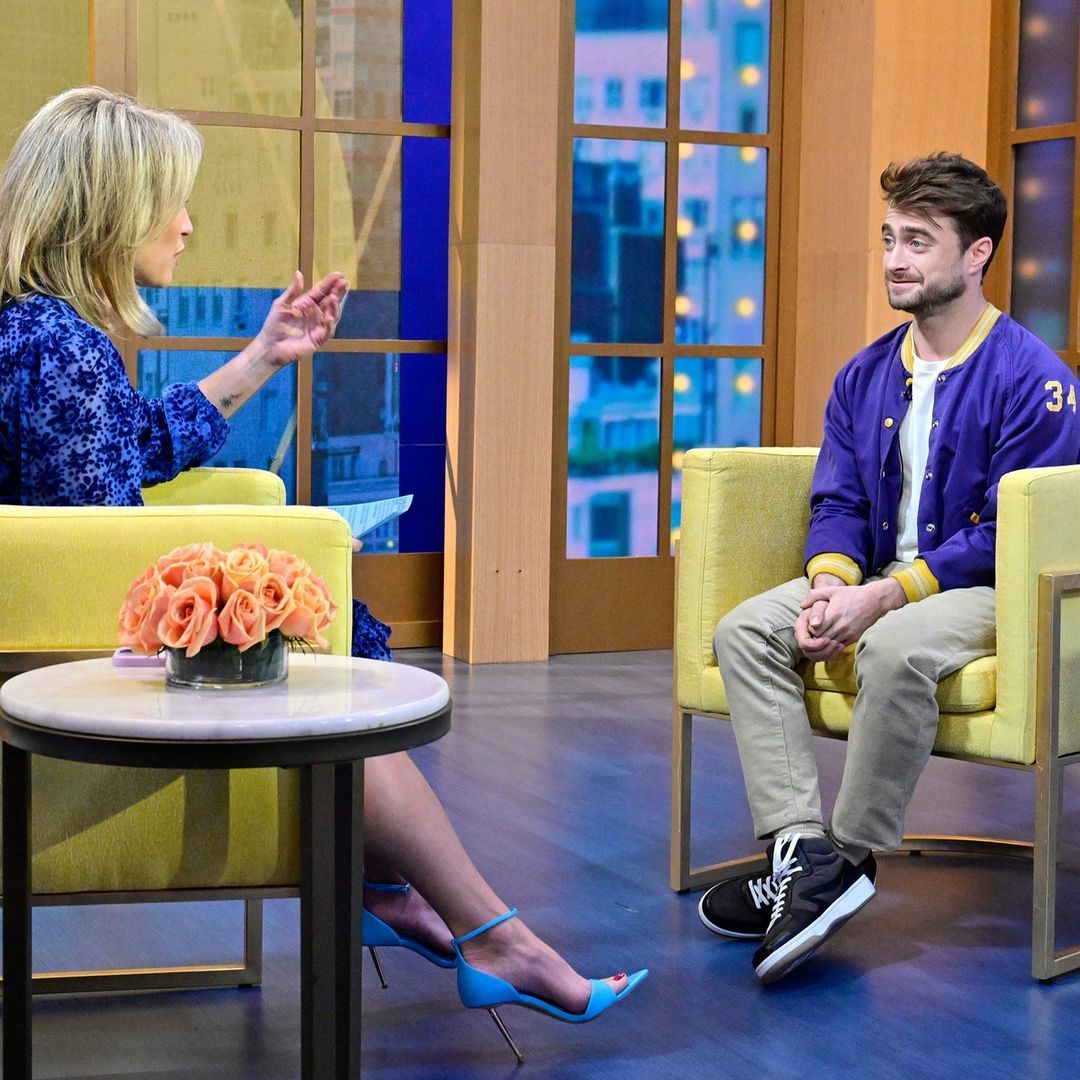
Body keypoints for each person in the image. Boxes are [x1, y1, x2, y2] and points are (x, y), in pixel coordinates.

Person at [0, 87, 645, 1043]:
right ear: (109, 209)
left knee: (311, 631)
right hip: (60, 674)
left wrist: (267, 353)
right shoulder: (60, 350)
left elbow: (136, 447)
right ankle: (470, 928)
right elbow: (96, 549)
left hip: (47, 641)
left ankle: (417, 903)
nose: (186, 224)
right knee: (319, 660)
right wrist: (275, 564)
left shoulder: (42, 335)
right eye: (171, 202)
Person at [697, 152, 1080, 984]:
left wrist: (881, 599)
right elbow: (836, 500)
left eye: (917, 241)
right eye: (888, 238)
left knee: (895, 647)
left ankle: (846, 854)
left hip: (986, 590)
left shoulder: (1037, 382)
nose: (895, 260)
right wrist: (832, 586)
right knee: (745, 630)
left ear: (977, 254)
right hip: (874, 577)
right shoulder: (864, 374)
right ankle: (801, 851)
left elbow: (1006, 535)